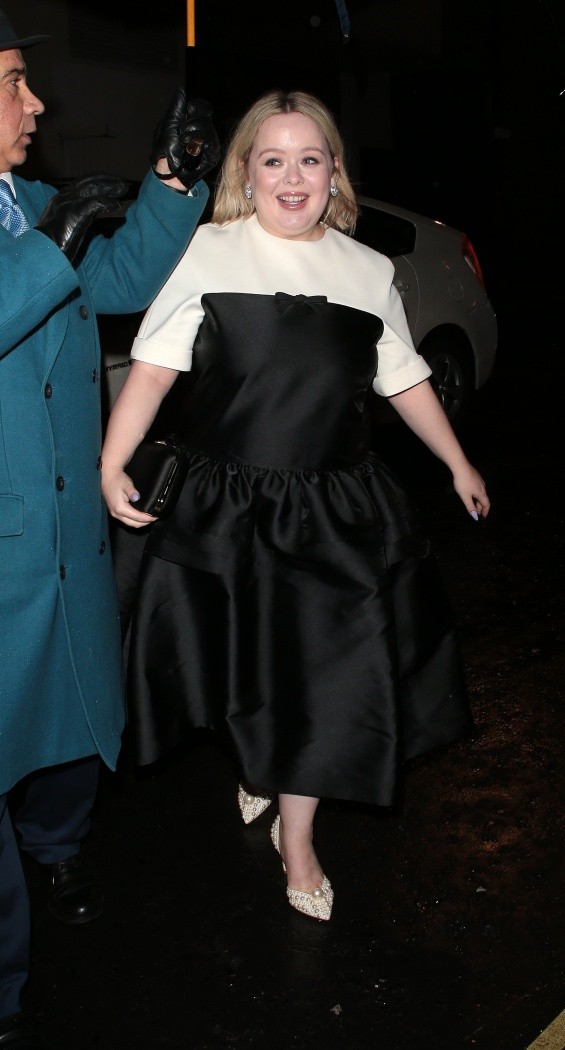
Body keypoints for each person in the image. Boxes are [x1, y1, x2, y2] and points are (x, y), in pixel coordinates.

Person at [101, 89, 490, 926]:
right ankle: (257, 761)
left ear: (334, 172)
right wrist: (111, 461)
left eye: (310, 158)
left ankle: (300, 836)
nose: (291, 175)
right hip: (227, 506)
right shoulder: (207, 250)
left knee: (322, 678)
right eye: (271, 158)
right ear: (245, 171)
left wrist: (456, 460)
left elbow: (404, 376)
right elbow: (156, 369)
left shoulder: (368, 270)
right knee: (245, 665)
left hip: (334, 511)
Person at [0, 8, 220, 1046]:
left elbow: (124, 280)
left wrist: (173, 185)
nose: (36, 102)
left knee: (71, 723)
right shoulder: (35, 227)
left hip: (64, 540)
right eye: (11, 81)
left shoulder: (31, 202)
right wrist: (49, 250)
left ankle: (58, 846)